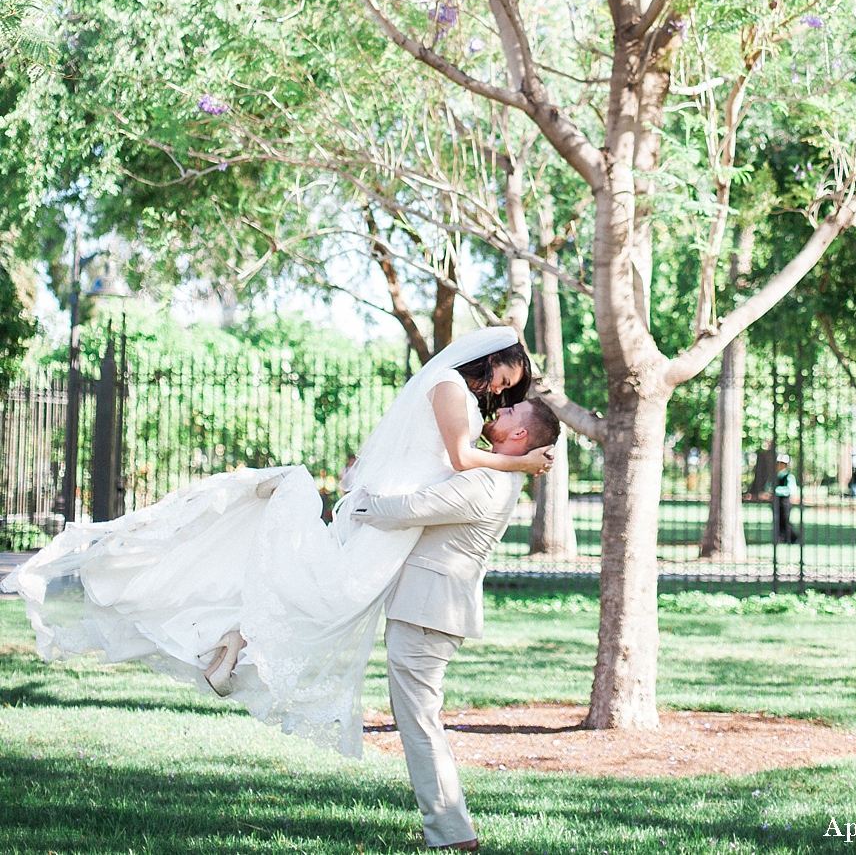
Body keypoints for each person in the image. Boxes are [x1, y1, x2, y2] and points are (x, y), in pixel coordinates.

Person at [1, 327, 553, 754]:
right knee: (329, 594)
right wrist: (522, 459)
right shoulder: (450, 385)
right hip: (388, 517)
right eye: (505, 378)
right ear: (493, 353)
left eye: (507, 393)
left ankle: (233, 641)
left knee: (326, 592)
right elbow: (458, 459)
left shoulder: (455, 392)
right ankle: (236, 630)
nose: (499, 391)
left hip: (393, 520)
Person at [351, 395, 561, 852]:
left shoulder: (486, 483)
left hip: (429, 613)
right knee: (418, 718)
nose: (498, 412)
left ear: (520, 434)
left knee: (419, 721)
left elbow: (411, 508)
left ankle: (451, 833)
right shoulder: (494, 476)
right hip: (428, 610)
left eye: (509, 413)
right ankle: (450, 829)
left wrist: (357, 506)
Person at [773, 453, 799, 544]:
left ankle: (793, 538)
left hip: (784, 502)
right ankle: (782, 537)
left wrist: (777, 490)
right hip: (776, 502)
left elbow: (791, 490)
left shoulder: (789, 477)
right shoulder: (775, 476)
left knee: (785, 521)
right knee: (778, 521)